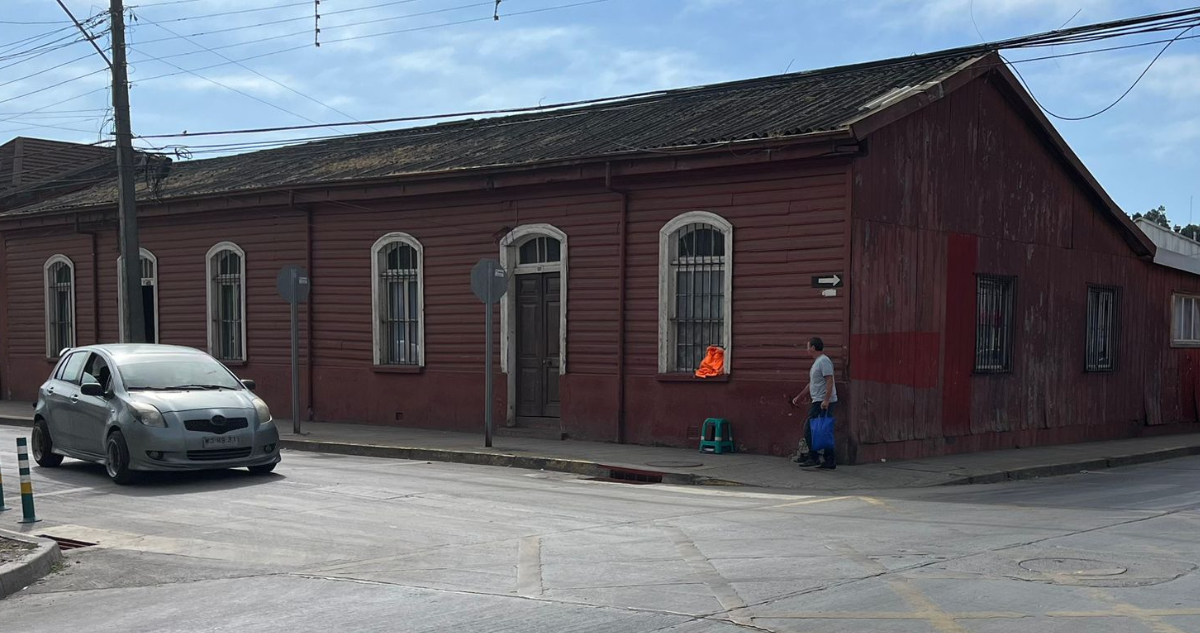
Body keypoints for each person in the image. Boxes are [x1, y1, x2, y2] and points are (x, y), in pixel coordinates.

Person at [791, 337, 837, 469]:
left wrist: (826, 400)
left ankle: (814, 457)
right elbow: (812, 383)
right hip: (817, 400)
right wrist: (800, 396)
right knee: (822, 430)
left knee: (810, 429)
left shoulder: (824, 361)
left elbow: (829, 380)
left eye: (808, 346)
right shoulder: (817, 362)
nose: (806, 349)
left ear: (813, 348)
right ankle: (829, 460)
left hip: (822, 401)